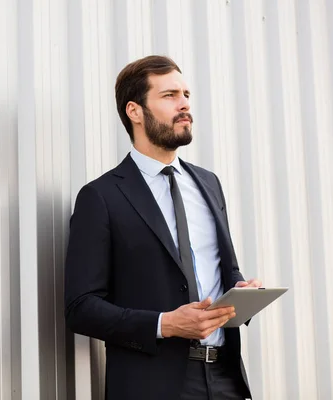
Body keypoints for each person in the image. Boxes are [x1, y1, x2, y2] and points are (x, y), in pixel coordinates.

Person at [64, 55, 262, 399]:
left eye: (186, 94)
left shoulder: (208, 184)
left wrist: (240, 292)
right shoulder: (101, 197)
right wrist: (164, 324)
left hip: (226, 377)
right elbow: (81, 308)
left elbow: (224, 271)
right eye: (170, 95)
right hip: (151, 385)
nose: (184, 104)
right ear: (135, 111)